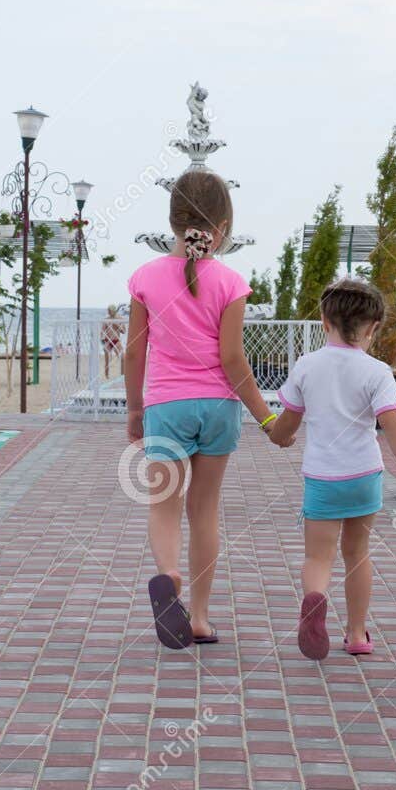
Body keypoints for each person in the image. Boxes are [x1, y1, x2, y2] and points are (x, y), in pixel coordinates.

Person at [124, 170, 274, 650]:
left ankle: (169, 574)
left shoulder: (145, 278)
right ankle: (202, 618)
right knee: (204, 511)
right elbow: (233, 359)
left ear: (172, 222)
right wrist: (265, 414)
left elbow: (133, 353)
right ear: (224, 227)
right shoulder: (231, 282)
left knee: (163, 507)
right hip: (219, 408)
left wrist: (134, 409)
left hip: (167, 405)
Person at [266, 278, 396, 660]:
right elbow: (392, 424)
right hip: (363, 476)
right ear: (372, 329)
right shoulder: (376, 372)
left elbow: (286, 424)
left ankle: (315, 598)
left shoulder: (307, 366)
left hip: (322, 479)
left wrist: (279, 436)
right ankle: (356, 634)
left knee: (317, 557)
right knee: (358, 554)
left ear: (324, 321)